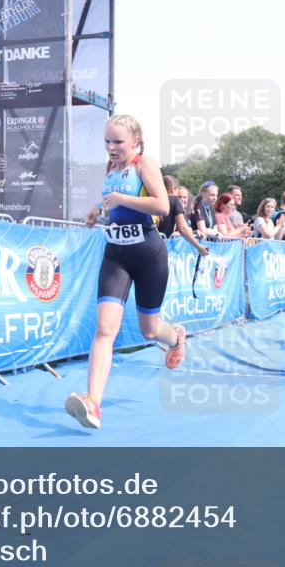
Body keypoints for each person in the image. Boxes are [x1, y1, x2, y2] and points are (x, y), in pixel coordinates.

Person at [67, 115, 187, 430]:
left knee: (150, 330)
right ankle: (93, 403)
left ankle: (175, 338)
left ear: (135, 142)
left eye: (118, 141)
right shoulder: (111, 170)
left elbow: (163, 206)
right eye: (107, 141)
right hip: (116, 255)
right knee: (105, 328)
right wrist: (97, 209)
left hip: (148, 255)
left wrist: (122, 199)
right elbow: (108, 199)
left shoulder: (144, 164)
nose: (111, 147)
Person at [158, 175, 210, 256]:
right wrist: (199, 247)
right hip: (163, 248)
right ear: (175, 189)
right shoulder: (174, 200)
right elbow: (182, 228)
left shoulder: (154, 199)